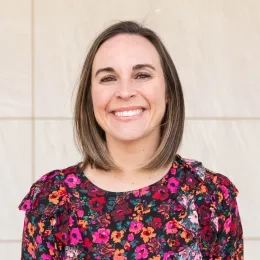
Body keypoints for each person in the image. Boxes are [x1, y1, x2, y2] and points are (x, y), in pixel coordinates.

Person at [19, 20, 243, 259]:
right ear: (90, 96)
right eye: (108, 78)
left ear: (168, 91)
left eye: (142, 75)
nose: (125, 92)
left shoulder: (211, 196)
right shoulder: (51, 200)